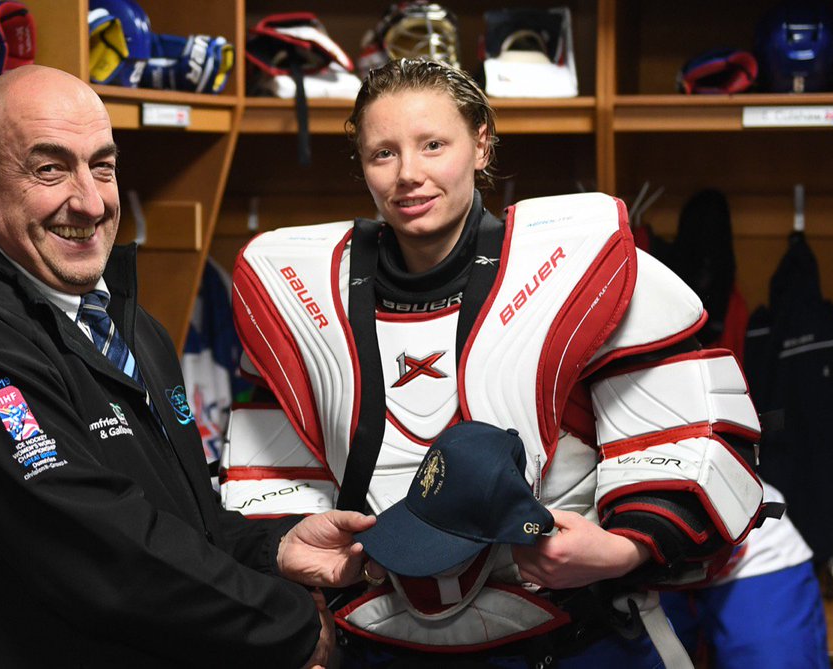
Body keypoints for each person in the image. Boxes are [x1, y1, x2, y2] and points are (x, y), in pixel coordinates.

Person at [219, 58, 775, 666]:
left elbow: (693, 439)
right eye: (384, 153)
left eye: (434, 145)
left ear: (481, 143)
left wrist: (624, 550)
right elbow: (269, 484)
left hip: (570, 639)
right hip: (378, 639)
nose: (409, 175)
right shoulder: (298, 289)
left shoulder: (580, 263)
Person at [0, 64, 376, 668]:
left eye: (102, 166)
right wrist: (290, 626)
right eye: (50, 168)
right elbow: (92, 546)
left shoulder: (130, 325)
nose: (91, 201)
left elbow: (177, 520)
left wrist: (271, 548)